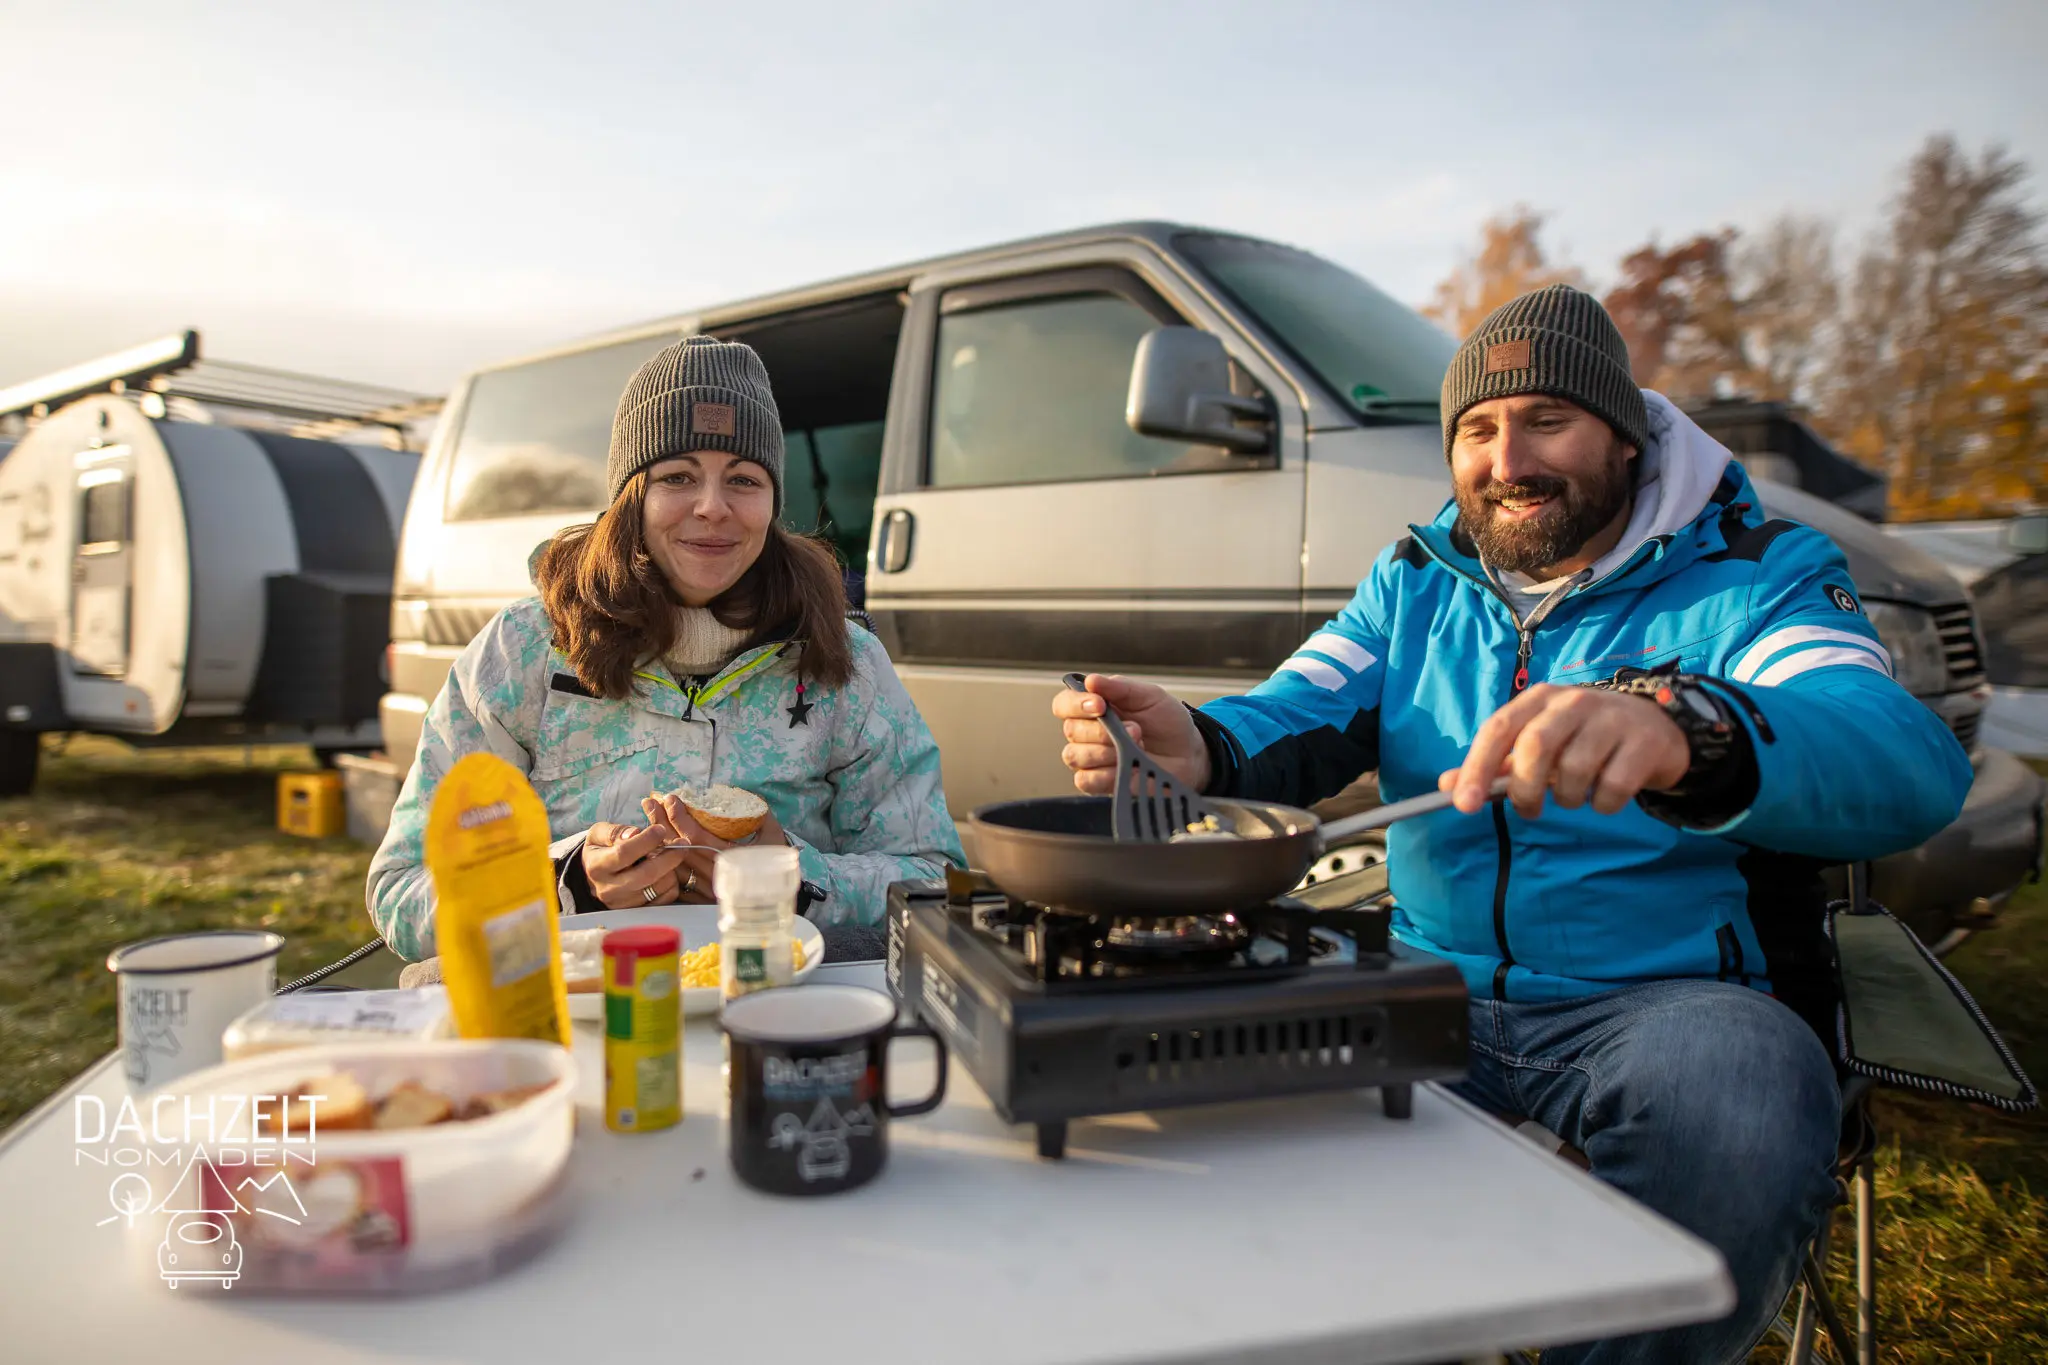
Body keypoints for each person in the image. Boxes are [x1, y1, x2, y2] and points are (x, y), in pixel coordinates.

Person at [1051, 285, 1971, 1364]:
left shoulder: (1760, 576)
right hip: (1422, 984)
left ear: (1623, 440)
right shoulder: (1414, 583)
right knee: (1220, 1114)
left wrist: (1695, 730)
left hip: (1673, 1005)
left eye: (1547, 420)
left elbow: (1900, 758)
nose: (1506, 460)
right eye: (1476, 431)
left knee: (1737, 1108)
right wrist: (1196, 746)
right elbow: (1295, 710)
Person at [370, 335, 962, 961]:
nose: (713, 507)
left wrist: (793, 876)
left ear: (771, 504)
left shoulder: (846, 661)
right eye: (677, 477)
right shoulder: (524, 653)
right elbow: (403, 893)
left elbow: (935, 885)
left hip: (777, 1017)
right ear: (631, 499)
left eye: (744, 479)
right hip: (576, 1027)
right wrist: (566, 883)